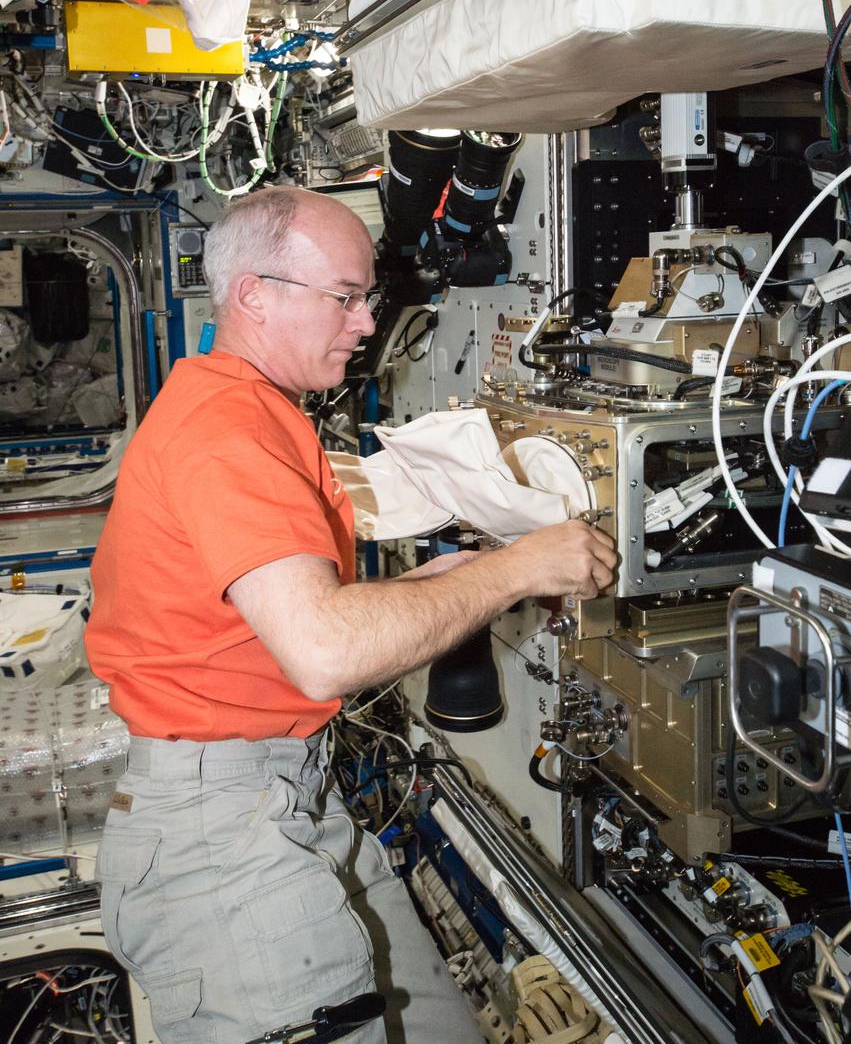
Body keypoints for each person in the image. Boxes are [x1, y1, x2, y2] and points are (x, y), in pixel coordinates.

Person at [84, 185, 618, 1044]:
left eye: (365, 298)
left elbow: (296, 618)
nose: (367, 323)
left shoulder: (240, 408)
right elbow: (323, 649)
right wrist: (516, 566)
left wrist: (468, 576)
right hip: (221, 839)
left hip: (281, 797)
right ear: (255, 295)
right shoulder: (228, 429)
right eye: (345, 296)